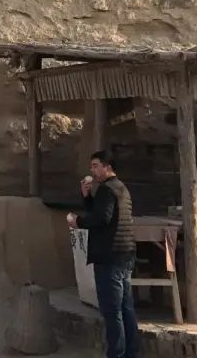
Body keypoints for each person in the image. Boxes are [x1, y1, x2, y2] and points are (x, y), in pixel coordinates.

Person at [67, 151, 139, 358]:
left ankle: (116, 354)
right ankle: (131, 353)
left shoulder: (107, 189)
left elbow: (101, 219)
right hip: (124, 255)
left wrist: (77, 222)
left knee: (112, 311)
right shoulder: (120, 187)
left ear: (107, 167)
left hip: (110, 257)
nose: (92, 170)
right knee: (126, 309)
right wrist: (87, 196)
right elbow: (101, 213)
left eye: (96, 166)